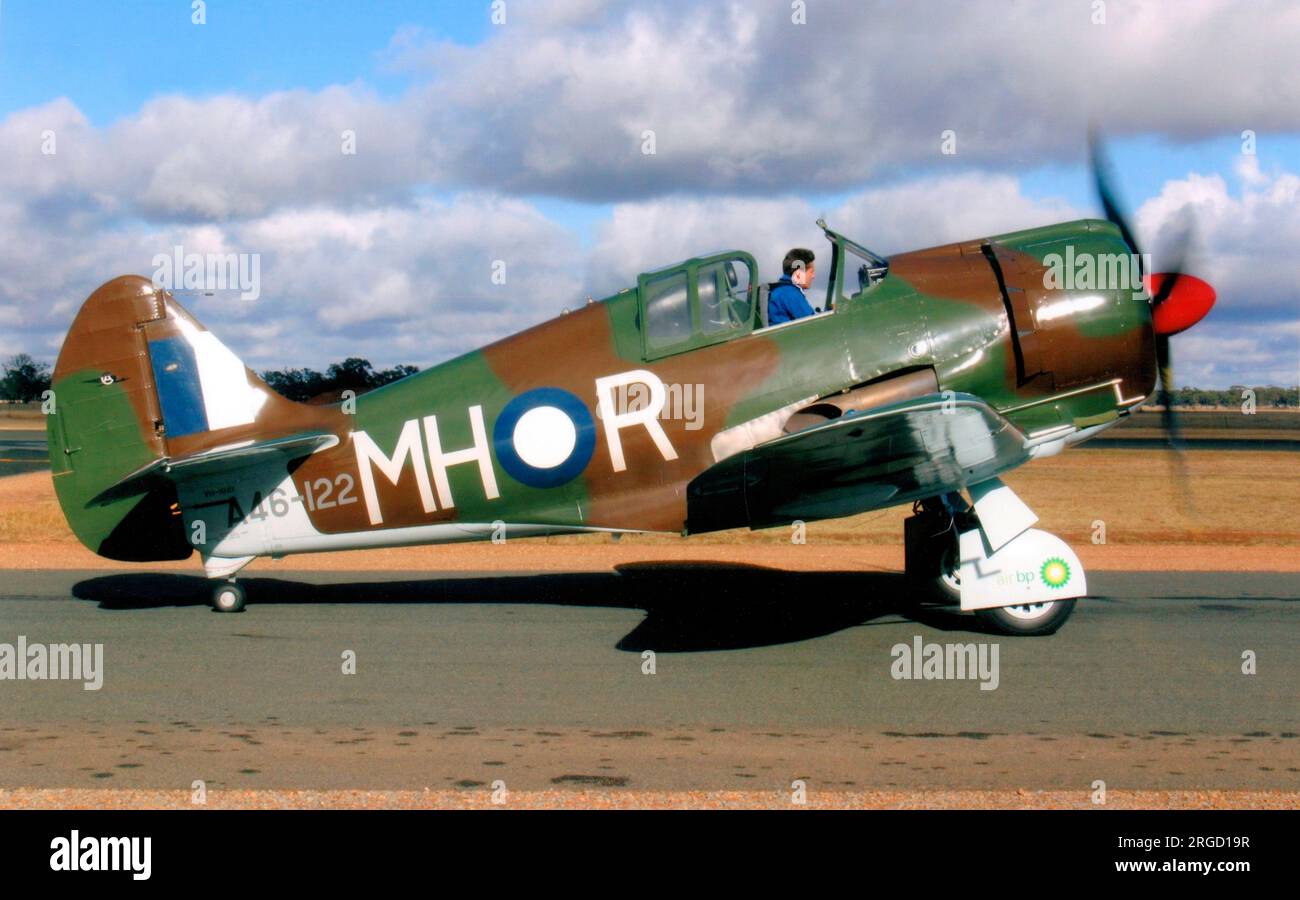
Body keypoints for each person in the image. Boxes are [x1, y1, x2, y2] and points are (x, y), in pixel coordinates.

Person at [767, 248, 817, 325]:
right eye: (811, 272)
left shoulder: (780, 290)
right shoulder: (790, 293)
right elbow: (813, 323)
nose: (813, 276)